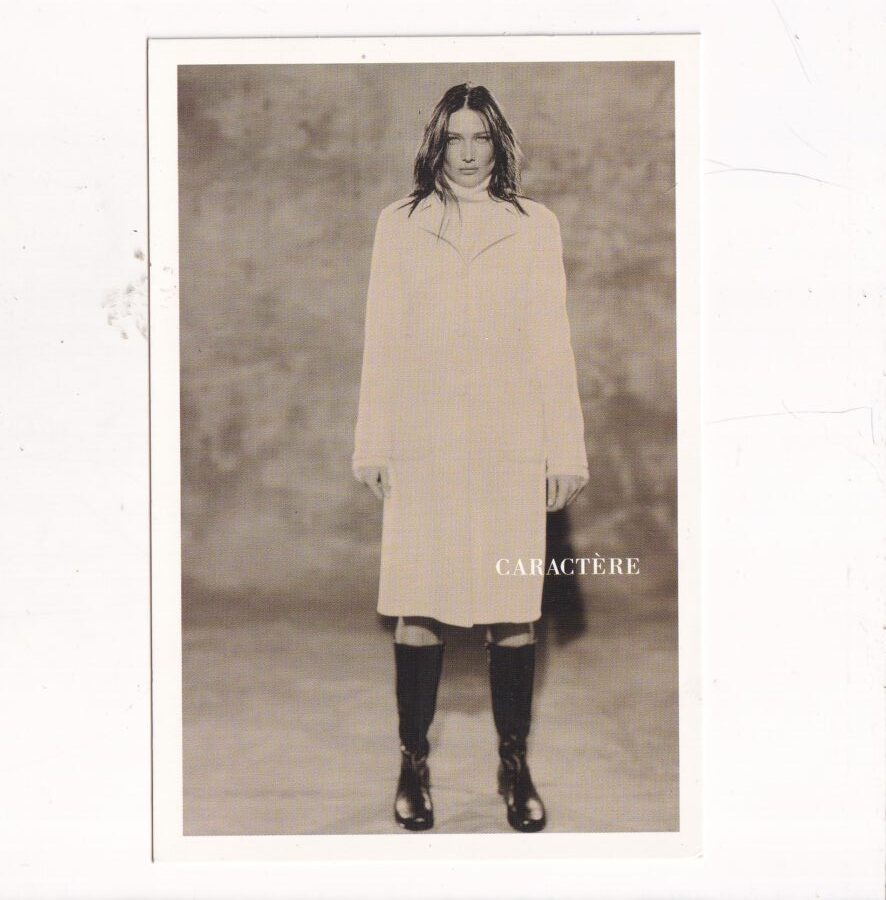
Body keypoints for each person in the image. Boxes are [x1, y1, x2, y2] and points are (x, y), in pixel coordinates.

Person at [352, 82, 588, 833]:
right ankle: (412, 763)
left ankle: (514, 765)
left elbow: (552, 343)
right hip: (424, 441)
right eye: (454, 137)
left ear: (499, 144)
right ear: (437, 143)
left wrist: (565, 449)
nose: (467, 153)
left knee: (511, 610)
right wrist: (374, 442)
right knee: (418, 604)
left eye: (480, 137)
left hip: (509, 441)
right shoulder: (400, 223)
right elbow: (383, 338)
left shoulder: (534, 225)